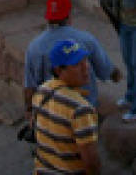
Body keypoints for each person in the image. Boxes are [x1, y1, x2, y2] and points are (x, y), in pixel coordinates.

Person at [24, 0, 121, 116]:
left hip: (52, 112)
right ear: (69, 15)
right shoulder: (85, 39)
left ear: (48, 17)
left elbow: (30, 87)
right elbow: (105, 70)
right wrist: (116, 74)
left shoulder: (34, 47)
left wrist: (29, 110)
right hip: (83, 108)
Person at [32, 39, 101, 175]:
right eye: (76, 64)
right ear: (59, 70)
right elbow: (91, 162)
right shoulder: (81, 109)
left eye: (85, 61)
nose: (85, 68)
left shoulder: (42, 90)